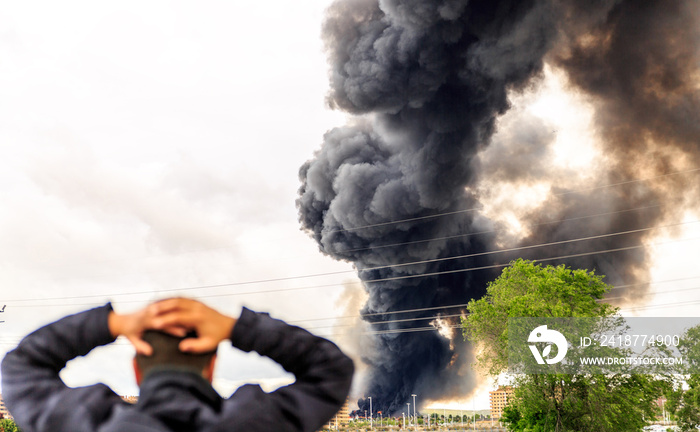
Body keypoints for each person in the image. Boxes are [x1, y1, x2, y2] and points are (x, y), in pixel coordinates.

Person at [1, 298, 354, 432]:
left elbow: (20, 366)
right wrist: (237, 327)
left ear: (136, 368)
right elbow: (331, 369)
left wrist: (113, 324)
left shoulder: (85, 422)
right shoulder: (254, 422)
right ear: (212, 363)